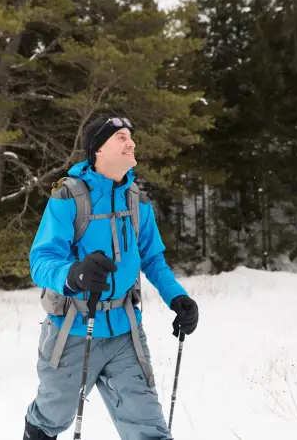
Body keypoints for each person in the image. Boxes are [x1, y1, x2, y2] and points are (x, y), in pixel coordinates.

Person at [23, 116, 200, 439]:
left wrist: (178, 297)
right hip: (74, 329)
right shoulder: (69, 198)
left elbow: (152, 258)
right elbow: (41, 261)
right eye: (120, 137)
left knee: (147, 426)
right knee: (51, 416)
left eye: (131, 136)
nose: (130, 142)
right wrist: (74, 274)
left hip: (125, 331)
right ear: (98, 150)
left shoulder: (137, 200)